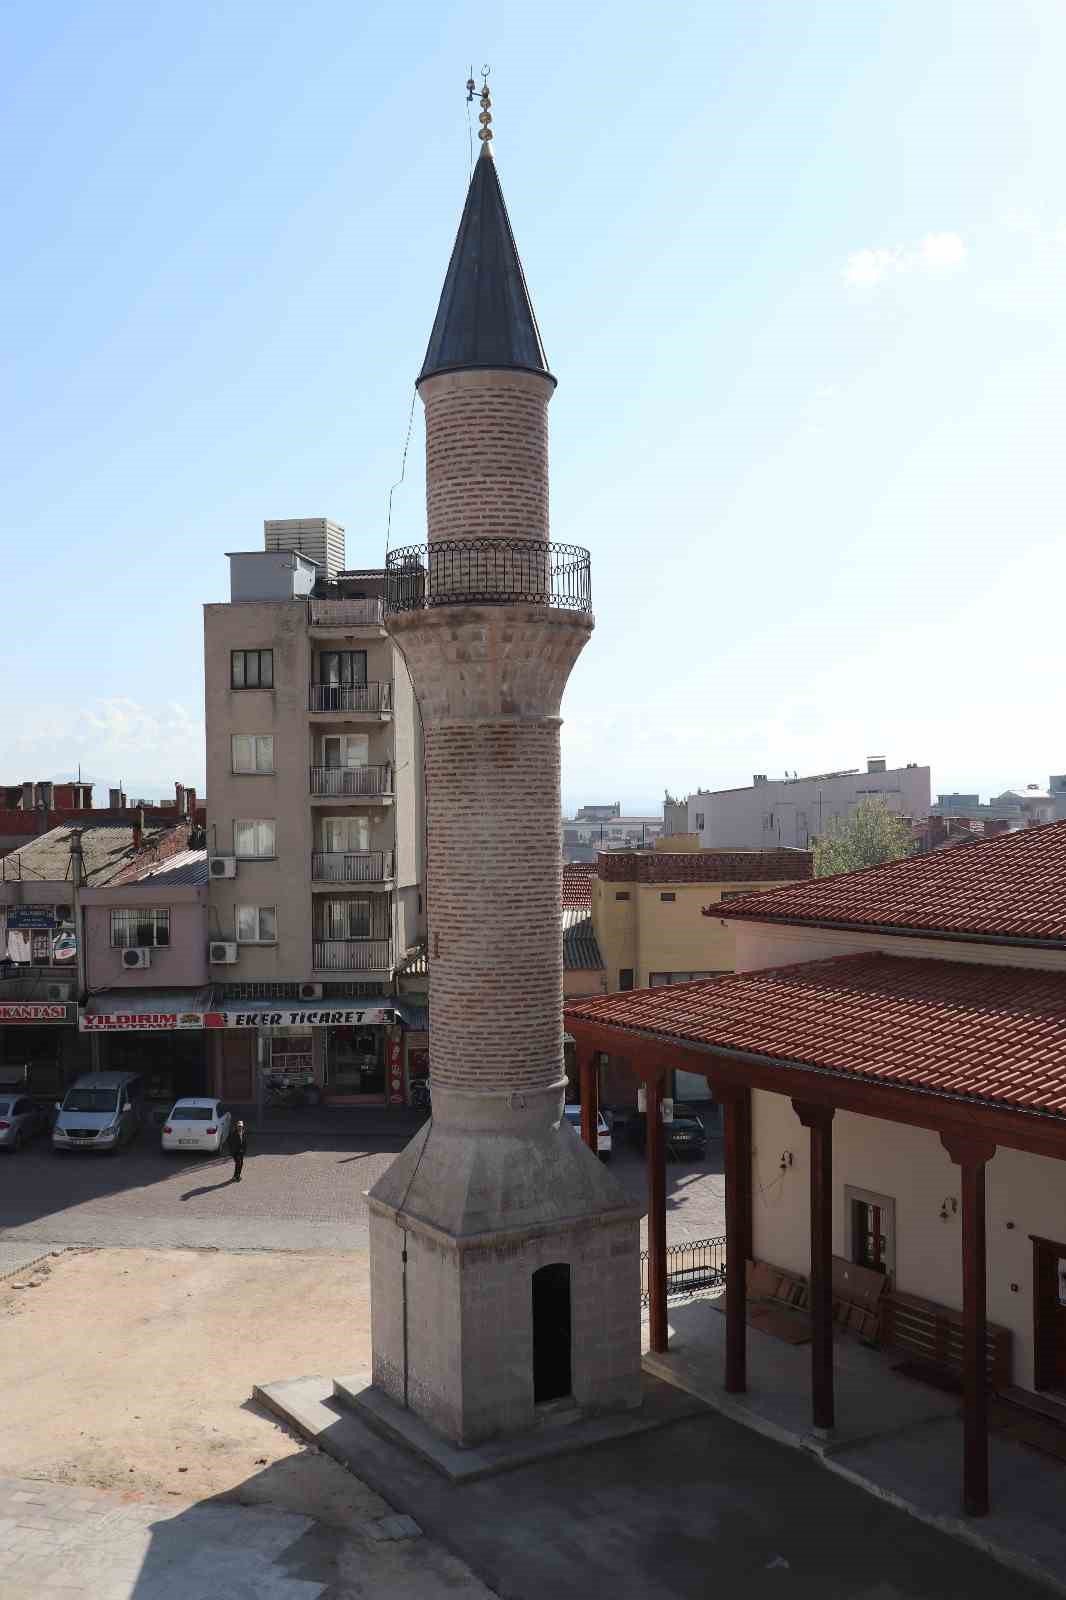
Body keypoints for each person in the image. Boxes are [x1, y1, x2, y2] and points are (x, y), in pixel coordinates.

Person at [226, 1118, 247, 1183]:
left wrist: (244, 1150)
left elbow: (245, 1142)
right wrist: (232, 1150)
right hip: (235, 1152)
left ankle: (238, 1176)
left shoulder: (244, 1133)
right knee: (238, 1163)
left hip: (241, 1152)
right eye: (238, 1126)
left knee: (241, 1164)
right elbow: (229, 1141)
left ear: (242, 1127)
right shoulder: (233, 1133)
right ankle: (235, 1176)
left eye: (241, 1126)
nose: (240, 1128)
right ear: (236, 1126)